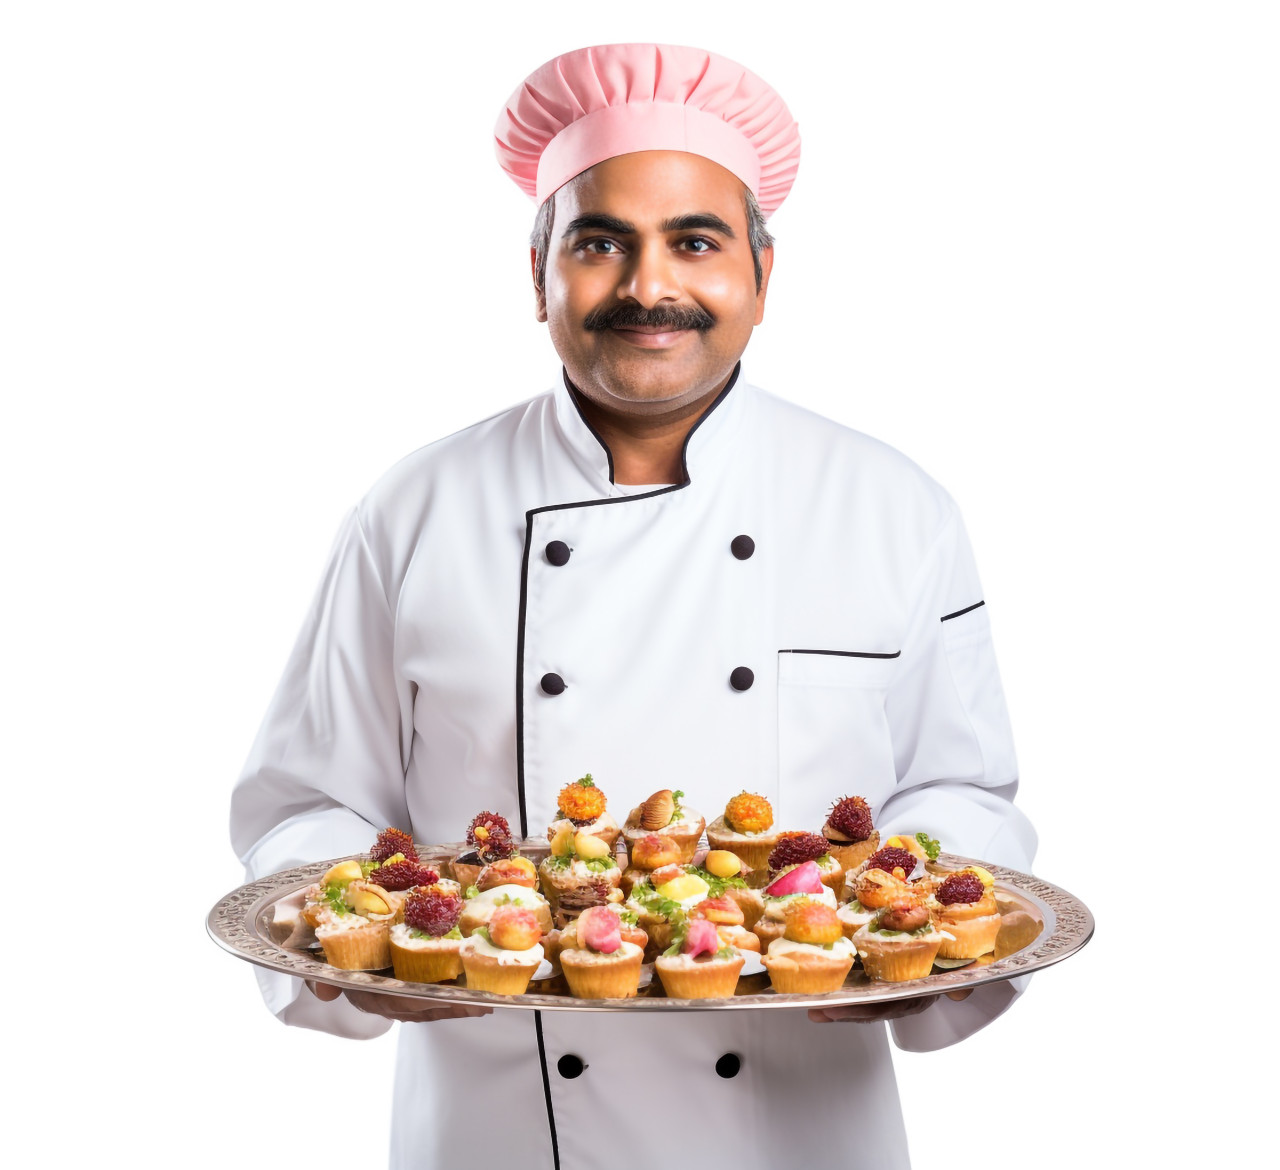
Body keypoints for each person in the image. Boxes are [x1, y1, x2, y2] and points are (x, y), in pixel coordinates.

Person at [230, 43, 1036, 1169]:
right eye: (598, 242)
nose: (648, 287)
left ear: (761, 276)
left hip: (796, 1122)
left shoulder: (893, 505)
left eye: (694, 243)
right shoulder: (412, 508)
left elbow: (964, 789)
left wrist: (907, 929)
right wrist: (364, 947)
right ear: (537, 276)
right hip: (501, 1121)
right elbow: (305, 802)